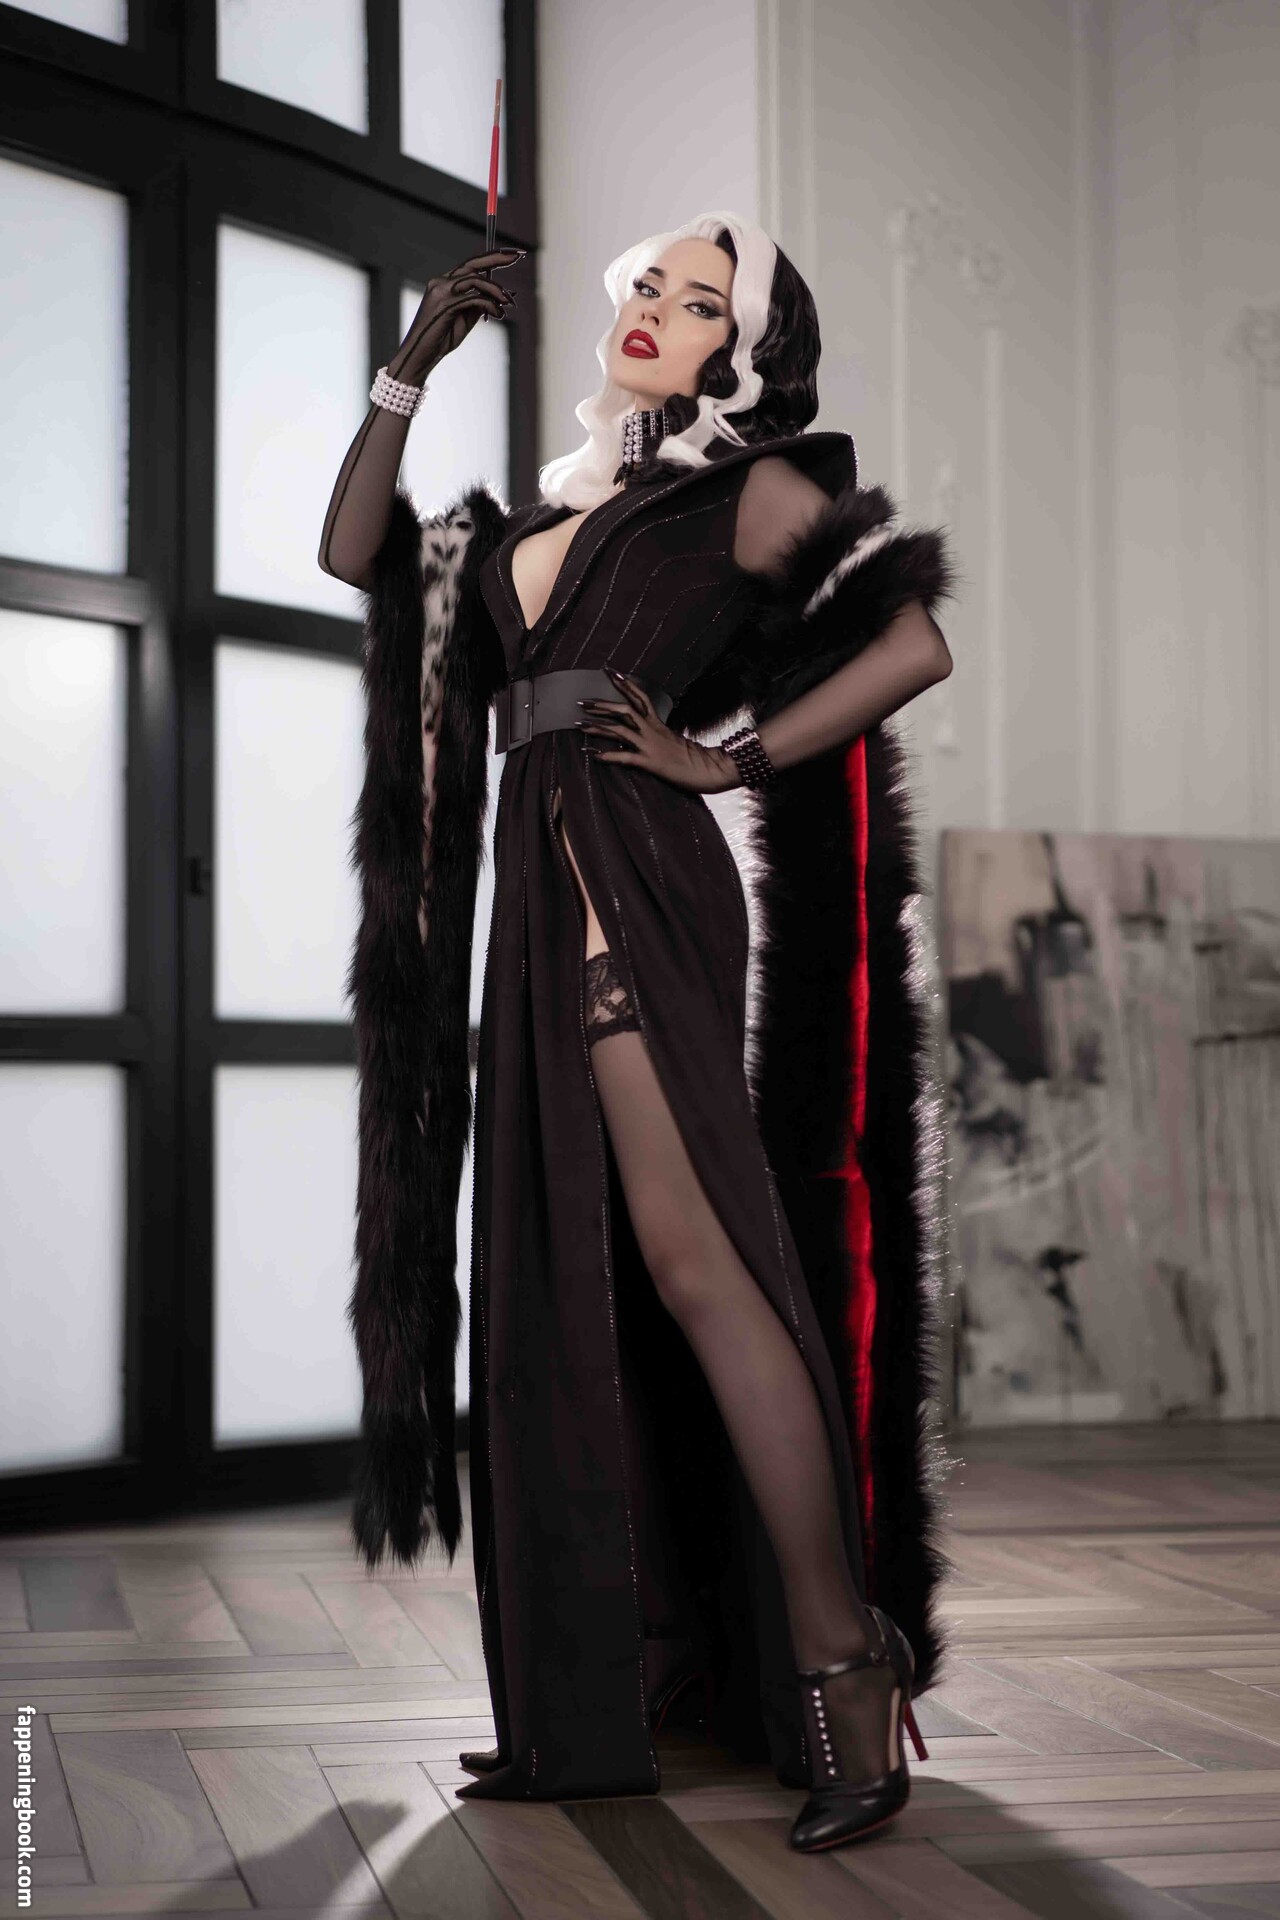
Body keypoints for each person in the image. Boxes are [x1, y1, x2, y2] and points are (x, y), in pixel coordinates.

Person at [320, 211, 955, 1853]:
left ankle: (846, 1663)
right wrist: (409, 369)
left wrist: (724, 762)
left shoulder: (751, 489)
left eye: (704, 302)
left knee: (695, 1266)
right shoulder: (549, 514)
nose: (661, 310)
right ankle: (604, 1683)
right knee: (555, 1267)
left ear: (746, 348)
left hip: (632, 872)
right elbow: (352, 554)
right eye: (650, 286)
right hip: (536, 890)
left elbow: (912, 642)